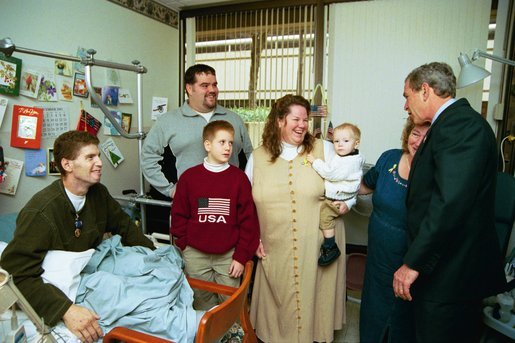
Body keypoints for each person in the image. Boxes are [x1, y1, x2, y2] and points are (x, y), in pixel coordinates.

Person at [0, 131, 155, 343]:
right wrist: (65, 310)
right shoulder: (42, 212)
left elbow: (126, 228)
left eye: (98, 156)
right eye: (90, 157)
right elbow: (15, 275)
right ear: (67, 165)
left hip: (87, 277)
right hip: (56, 287)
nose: (100, 163)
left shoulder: (98, 194)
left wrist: (156, 258)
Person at [393, 62, 507, 342]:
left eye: (406, 96)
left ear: (425, 90)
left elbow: (449, 203)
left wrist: (413, 263)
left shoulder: (461, 125)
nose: (406, 107)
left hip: (451, 274)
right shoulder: (448, 124)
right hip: (443, 269)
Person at [245, 94, 354, 343]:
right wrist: (253, 237)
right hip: (274, 243)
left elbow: (350, 180)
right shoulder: (257, 157)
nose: (302, 125)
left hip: (316, 242)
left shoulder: (324, 149)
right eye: (296, 119)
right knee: (279, 302)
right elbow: (245, 203)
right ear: (279, 121)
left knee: (315, 298)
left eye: (306, 119)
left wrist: (347, 203)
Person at [171, 120, 260, 310]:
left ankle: (232, 338)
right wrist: (184, 244)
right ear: (207, 145)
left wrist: (241, 256)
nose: (228, 147)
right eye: (222, 142)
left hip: (228, 256)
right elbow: (179, 214)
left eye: (230, 142)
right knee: (201, 305)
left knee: (230, 307)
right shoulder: (189, 177)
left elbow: (249, 222)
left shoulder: (239, 179)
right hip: (195, 254)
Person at [358, 118, 429, 343]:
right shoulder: (389, 157)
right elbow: (363, 186)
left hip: (408, 262)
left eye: (427, 137)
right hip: (378, 257)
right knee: (373, 310)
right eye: (415, 134)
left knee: (402, 318)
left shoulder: (436, 173)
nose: (419, 141)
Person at [141, 64, 253, 199]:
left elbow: (249, 159)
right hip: (190, 202)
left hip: (229, 200)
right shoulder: (167, 122)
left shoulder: (235, 120)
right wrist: (170, 190)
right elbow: (148, 158)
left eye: (215, 85)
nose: (212, 90)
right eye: (205, 85)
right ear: (189, 88)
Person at [306, 123, 364, 266]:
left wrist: (315, 161)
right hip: (344, 195)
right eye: (336, 141)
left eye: (345, 141)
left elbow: (330, 173)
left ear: (356, 143)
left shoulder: (349, 162)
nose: (339, 145)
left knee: (325, 217)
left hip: (339, 198)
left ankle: (330, 246)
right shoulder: (351, 155)